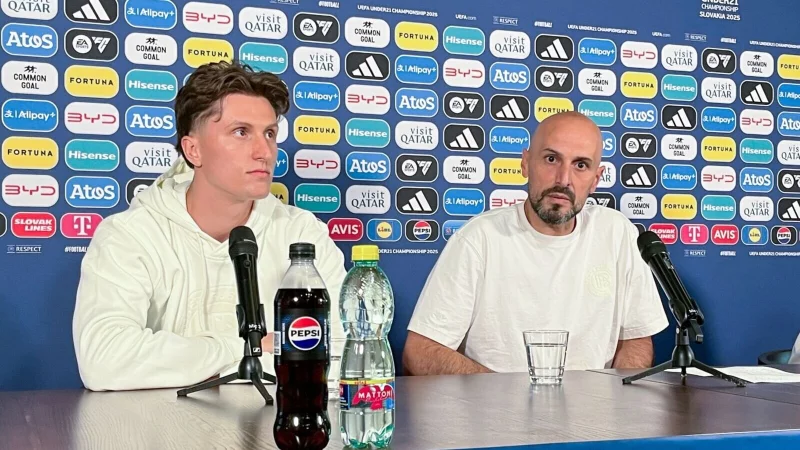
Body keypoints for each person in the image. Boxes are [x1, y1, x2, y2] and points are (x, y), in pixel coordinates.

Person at [72, 61, 347, 391]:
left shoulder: (303, 234)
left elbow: (349, 352)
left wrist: (200, 363)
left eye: (270, 133)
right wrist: (242, 350)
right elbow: (104, 359)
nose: (265, 152)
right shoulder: (130, 235)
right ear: (193, 149)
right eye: (241, 132)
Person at [403, 111, 669, 375]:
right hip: (496, 414)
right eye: (551, 159)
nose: (563, 179)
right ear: (526, 162)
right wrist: (508, 401)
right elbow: (421, 351)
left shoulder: (617, 232)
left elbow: (636, 339)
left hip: (595, 414)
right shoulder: (480, 238)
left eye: (580, 165)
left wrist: (614, 400)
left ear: (595, 179)